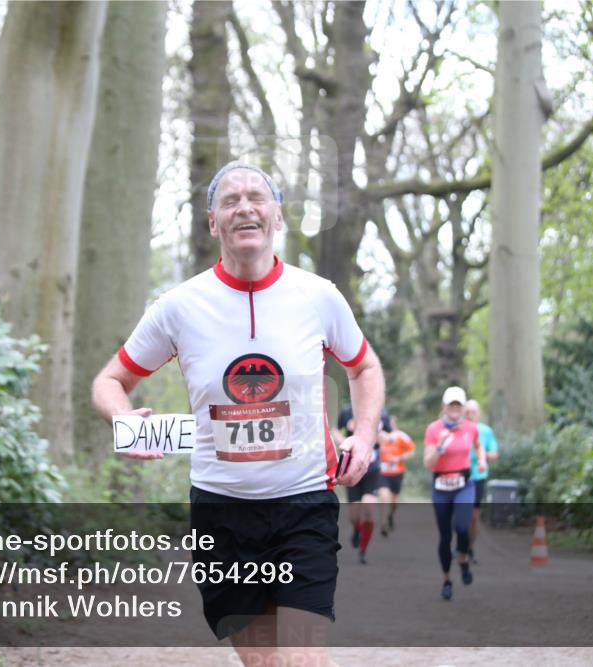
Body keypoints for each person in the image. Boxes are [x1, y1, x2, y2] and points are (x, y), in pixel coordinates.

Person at [91, 160, 385, 666]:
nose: (244, 207)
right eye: (229, 200)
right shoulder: (179, 307)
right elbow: (109, 381)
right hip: (221, 512)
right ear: (213, 223)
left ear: (277, 216)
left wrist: (364, 434)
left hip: (303, 505)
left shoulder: (318, 296)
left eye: (256, 197)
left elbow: (365, 368)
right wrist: (123, 419)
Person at [423, 386, 486, 601]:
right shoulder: (433, 429)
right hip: (441, 486)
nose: (455, 408)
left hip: (464, 484)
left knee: (462, 526)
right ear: (445, 407)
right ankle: (447, 579)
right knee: (445, 536)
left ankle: (463, 559)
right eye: (451, 404)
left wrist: (483, 460)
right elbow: (427, 462)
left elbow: (478, 446)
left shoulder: (470, 428)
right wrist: (440, 445)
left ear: (463, 407)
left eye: (458, 404)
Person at [334, 404, 390, 564]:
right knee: (354, 515)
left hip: (372, 469)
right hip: (352, 468)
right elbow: (336, 430)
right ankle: (357, 530)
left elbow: (388, 435)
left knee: (368, 510)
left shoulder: (382, 412)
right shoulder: (346, 411)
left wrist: (382, 438)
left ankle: (363, 550)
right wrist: (345, 441)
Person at [464, 399, 498, 564]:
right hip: (459, 475)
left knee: (473, 516)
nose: (470, 415)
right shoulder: (458, 429)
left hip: (478, 476)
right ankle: (459, 546)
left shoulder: (485, 431)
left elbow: (494, 453)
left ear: (478, 413)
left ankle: (470, 548)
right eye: (467, 412)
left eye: (473, 412)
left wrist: (482, 454)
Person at [377, 415, 415, 537]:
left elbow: (412, 451)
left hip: (397, 473)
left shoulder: (401, 436)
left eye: (391, 423)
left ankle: (390, 515)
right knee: (384, 495)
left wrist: (399, 458)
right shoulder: (379, 436)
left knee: (394, 501)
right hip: (382, 473)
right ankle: (384, 523)